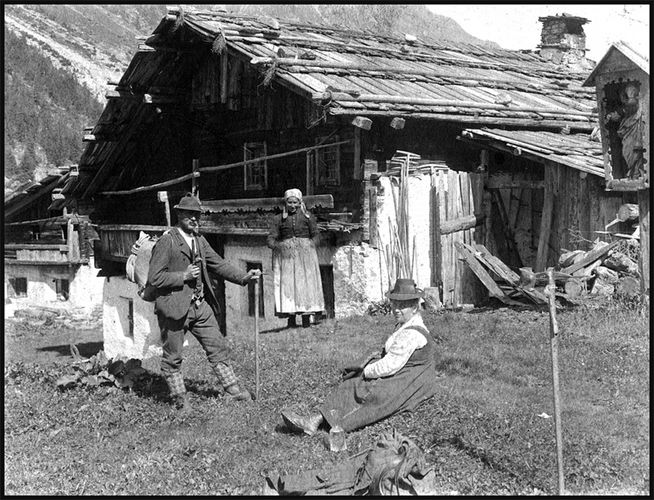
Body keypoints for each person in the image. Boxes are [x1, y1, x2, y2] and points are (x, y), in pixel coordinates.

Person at [147, 193, 262, 411]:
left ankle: (233, 390)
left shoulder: (200, 240)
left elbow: (218, 264)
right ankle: (180, 400)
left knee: (217, 345)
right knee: (173, 356)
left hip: (200, 306)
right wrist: (184, 276)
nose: (195, 219)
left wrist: (244, 277)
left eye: (197, 215)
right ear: (180, 215)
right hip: (173, 307)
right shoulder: (167, 241)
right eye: (190, 215)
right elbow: (154, 278)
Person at [280, 278, 437, 435]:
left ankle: (321, 422)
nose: (397, 309)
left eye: (403, 306)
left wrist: (366, 371)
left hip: (409, 383)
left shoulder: (411, 334)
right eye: (395, 303)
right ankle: (318, 419)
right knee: (355, 382)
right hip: (407, 377)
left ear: (415, 307)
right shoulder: (407, 324)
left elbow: (390, 366)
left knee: (364, 389)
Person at [266, 188, 325, 328]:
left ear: (300, 202)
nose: (292, 205)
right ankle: (290, 321)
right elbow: (271, 238)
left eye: (295, 202)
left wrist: (310, 245)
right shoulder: (278, 219)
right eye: (290, 202)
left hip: (306, 258)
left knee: (305, 284)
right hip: (287, 258)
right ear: (285, 203)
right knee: (288, 285)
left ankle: (306, 320)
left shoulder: (308, 217)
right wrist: (279, 246)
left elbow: (316, 235)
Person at [605, 82, 645, 179]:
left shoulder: (630, 87)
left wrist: (620, 113)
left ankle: (636, 174)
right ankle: (633, 173)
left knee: (631, 149)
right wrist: (613, 116)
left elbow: (633, 104)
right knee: (627, 151)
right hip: (628, 123)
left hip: (634, 124)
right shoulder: (624, 89)